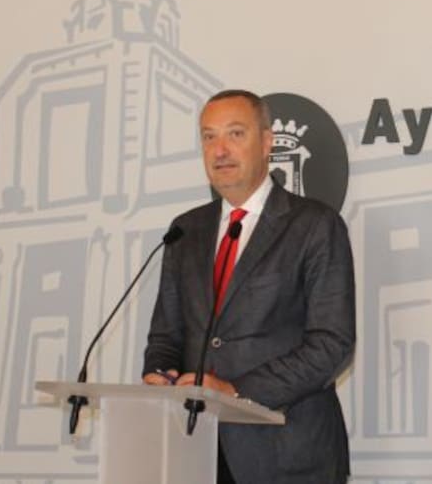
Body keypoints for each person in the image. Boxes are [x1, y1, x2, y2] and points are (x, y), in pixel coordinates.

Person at [143, 89, 355, 483]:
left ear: (267, 142)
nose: (220, 150)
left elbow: (332, 343)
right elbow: (166, 335)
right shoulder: (185, 230)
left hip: (288, 456)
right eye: (209, 137)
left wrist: (236, 391)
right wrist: (161, 373)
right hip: (197, 452)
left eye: (235, 134)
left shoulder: (314, 225)